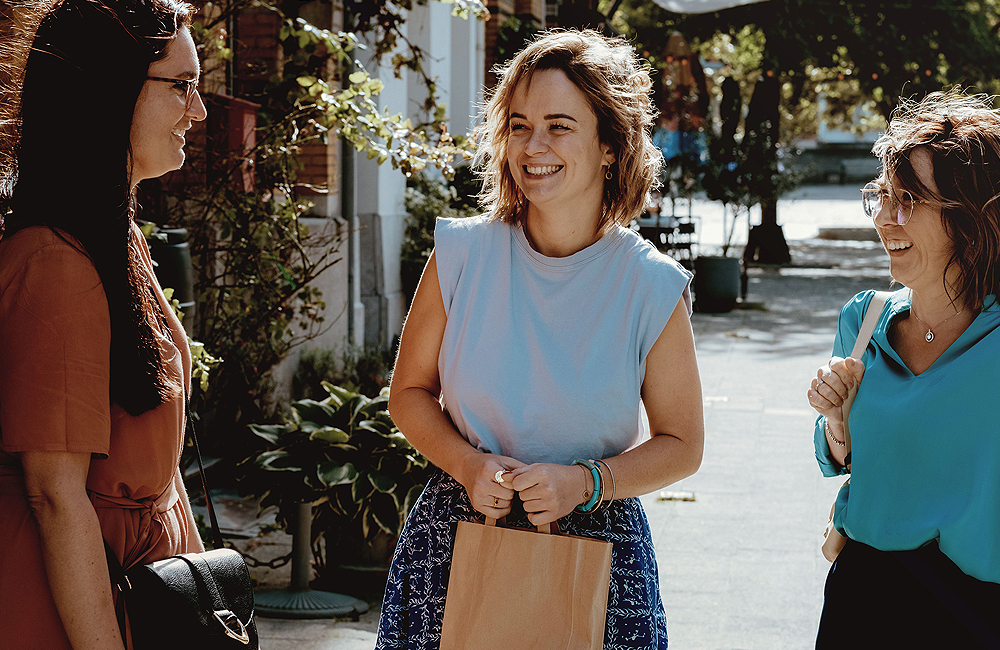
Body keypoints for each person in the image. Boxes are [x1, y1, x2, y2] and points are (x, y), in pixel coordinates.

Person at [377, 29, 705, 649]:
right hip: (452, 539)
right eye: (520, 125)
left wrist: (584, 482)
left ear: (611, 145)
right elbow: (410, 393)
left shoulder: (651, 286)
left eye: (559, 126)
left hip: (601, 551)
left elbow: (682, 444)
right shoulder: (460, 253)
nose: (534, 147)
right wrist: (470, 466)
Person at [0, 1, 208, 648]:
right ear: (108, 91)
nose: (198, 111)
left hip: (144, 594)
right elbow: (55, 498)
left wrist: (209, 600)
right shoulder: (56, 264)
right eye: (182, 86)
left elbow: (164, 471)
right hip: (72, 616)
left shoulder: (114, 242)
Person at [807, 90, 1000, 649]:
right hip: (863, 599)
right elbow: (846, 460)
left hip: (976, 610)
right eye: (884, 197)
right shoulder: (862, 320)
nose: (886, 220)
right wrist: (837, 423)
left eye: (909, 200)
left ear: (971, 216)